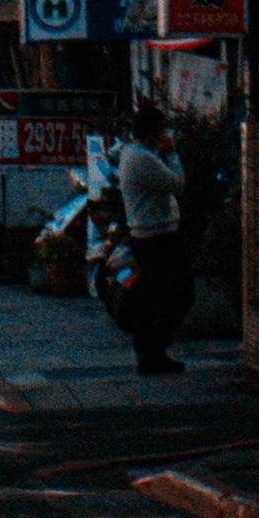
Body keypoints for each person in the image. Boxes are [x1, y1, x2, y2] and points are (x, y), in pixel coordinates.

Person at [101, 114, 194, 377]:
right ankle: (153, 350)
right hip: (157, 238)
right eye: (163, 132)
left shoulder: (137, 154)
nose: (167, 137)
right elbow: (176, 183)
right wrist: (173, 155)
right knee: (180, 292)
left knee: (153, 295)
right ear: (152, 134)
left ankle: (149, 351)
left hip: (151, 234)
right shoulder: (143, 158)